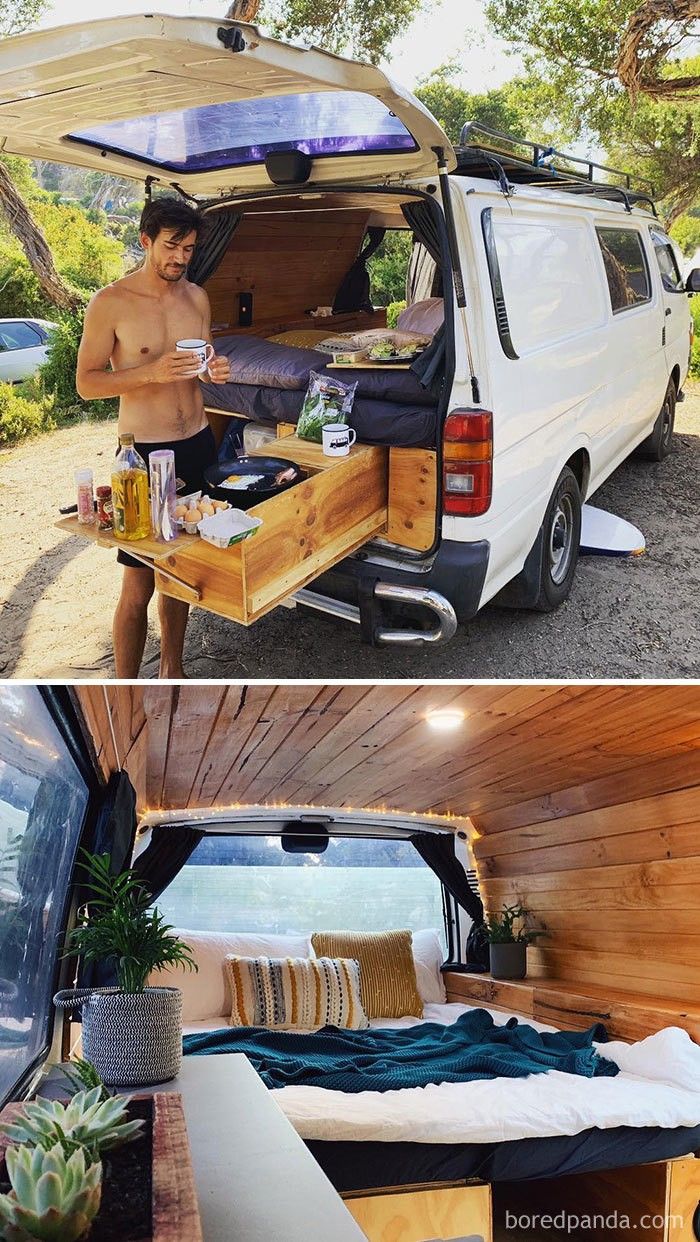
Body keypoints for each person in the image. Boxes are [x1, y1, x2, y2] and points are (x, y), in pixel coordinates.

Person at [76, 196, 231, 678]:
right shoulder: (111, 302)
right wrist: (151, 373)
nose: (181, 257)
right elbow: (87, 382)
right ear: (145, 240)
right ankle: (125, 684)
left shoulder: (197, 297)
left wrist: (216, 370)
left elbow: (202, 363)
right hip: (143, 455)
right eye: (171, 246)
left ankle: (172, 670)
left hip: (199, 443)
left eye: (188, 247)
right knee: (139, 580)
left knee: (179, 570)